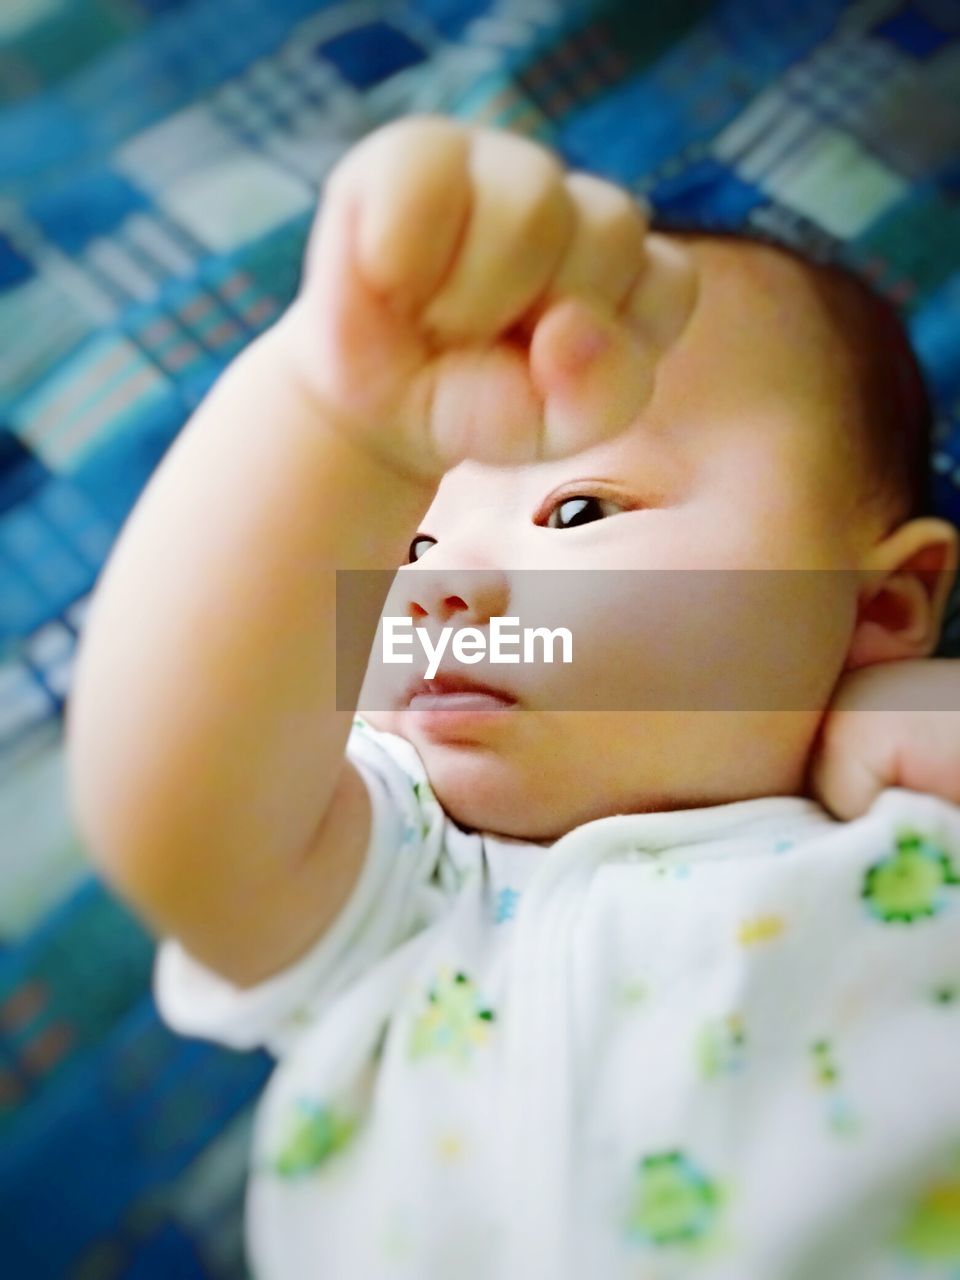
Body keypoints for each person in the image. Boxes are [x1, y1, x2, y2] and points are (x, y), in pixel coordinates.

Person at [66, 116, 960, 1278]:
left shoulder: (914, 820)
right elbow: (174, 796)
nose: (440, 587)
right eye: (409, 540)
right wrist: (333, 417)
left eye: (579, 510)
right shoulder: (402, 874)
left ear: (879, 607)